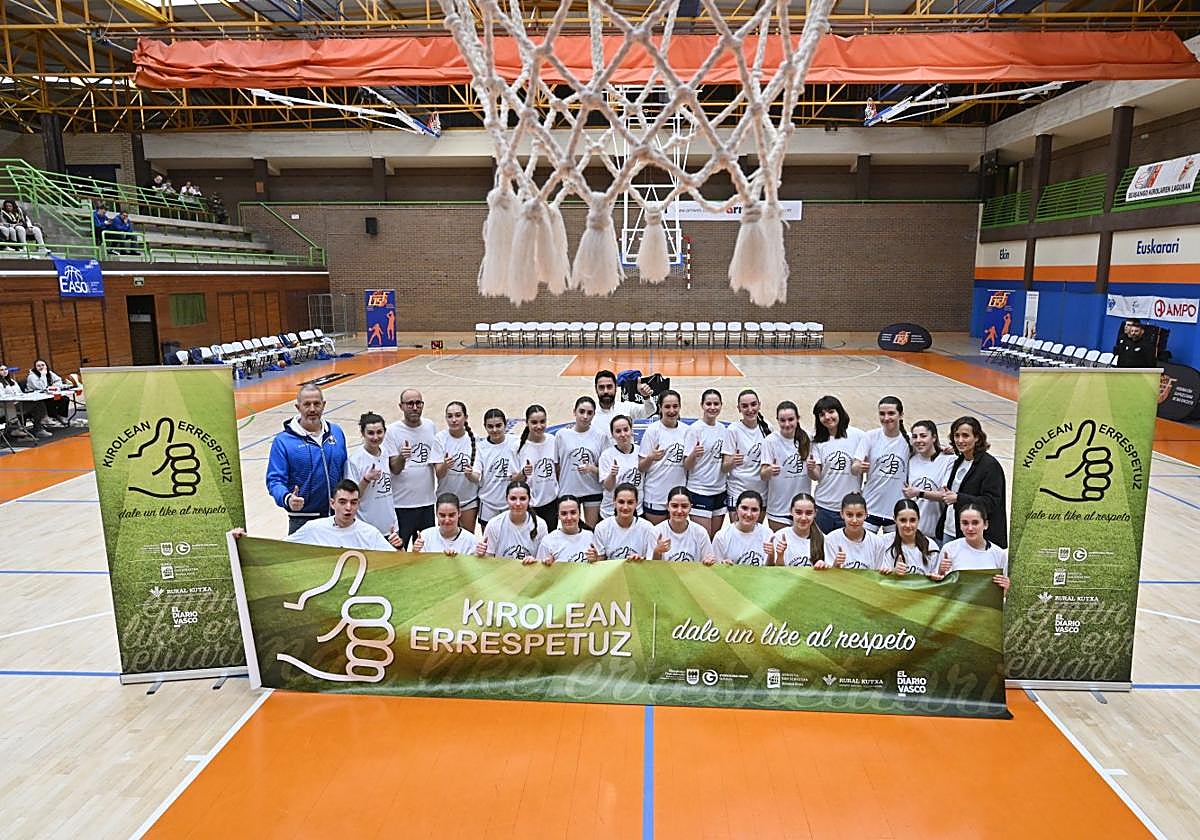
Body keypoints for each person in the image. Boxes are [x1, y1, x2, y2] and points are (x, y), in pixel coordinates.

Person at [266, 384, 349, 534]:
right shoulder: (283, 441)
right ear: (298, 407)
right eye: (307, 404)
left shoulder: (336, 432)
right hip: (302, 521)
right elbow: (275, 480)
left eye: (317, 404)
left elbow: (345, 471)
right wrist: (287, 498)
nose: (312, 409)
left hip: (337, 517)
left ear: (323, 405)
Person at [936, 416, 1008, 549]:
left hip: (975, 535)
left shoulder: (990, 466)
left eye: (965, 436)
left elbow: (991, 502)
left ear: (977, 438)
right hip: (951, 529)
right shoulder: (959, 460)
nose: (960, 440)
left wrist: (958, 498)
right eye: (956, 435)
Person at [385, 388, 438, 549]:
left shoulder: (430, 426)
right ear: (401, 406)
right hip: (402, 505)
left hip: (427, 503)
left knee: (426, 551)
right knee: (399, 551)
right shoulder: (392, 431)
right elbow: (394, 469)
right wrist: (402, 457)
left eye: (418, 403)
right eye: (410, 404)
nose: (414, 407)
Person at [283, 480, 398, 551]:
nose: (348, 507)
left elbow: (396, 562)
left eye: (353, 502)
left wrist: (400, 547)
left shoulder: (370, 533)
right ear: (332, 503)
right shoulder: (313, 528)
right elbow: (280, 548)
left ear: (358, 504)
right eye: (342, 502)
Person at [852, 396, 911, 533]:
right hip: (870, 506)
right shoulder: (870, 436)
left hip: (897, 508)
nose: (886, 418)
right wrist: (858, 467)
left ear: (901, 415)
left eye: (891, 413)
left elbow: (930, 451)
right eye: (882, 414)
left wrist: (946, 450)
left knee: (893, 547)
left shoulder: (910, 440)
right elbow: (854, 468)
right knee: (863, 544)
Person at [808, 395, 864, 534]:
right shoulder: (817, 440)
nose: (827, 417)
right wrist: (811, 469)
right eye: (822, 414)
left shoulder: (858, 436)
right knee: (821, 545)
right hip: (823, 507)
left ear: (839, 412)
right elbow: (816, 476)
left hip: (849, 507)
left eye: (831, 412)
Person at [932, 503, 1010, 592]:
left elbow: (1000, 592)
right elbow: (939, 588)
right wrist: (940, 572)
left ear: (985, 524)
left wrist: (1006, 588)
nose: (970, 528)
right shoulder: (949, 549)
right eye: (965, 523)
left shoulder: (999, 554)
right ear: (960, 525)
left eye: (975, 523)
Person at [555, 396, 607, 527]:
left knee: (591, 531)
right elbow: (556, 465)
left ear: (594, 415)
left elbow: (606, 469)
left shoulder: (601, 436)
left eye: (589, 413)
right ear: (574, 412)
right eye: (581, 411)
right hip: (568, 490)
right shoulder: (562, 435)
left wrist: (593, 469)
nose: (585, 416)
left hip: (593, 490)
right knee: (571, 531)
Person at [761, 400, 812, 531]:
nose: (787, 424)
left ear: (798, 418)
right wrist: (769, 470)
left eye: (791, 419)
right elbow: (763, 475)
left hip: (802, 508)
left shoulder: (808, 438)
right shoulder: (770, 441)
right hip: (778, 509)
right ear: (777, 420)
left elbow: (815, 473)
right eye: (782, 420)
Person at [638, 390, 687, 524]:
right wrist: (651, 457)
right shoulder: (652, 431)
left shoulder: (686, 430)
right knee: (656, 536)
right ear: (660, 408)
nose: (671, 410)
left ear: (680, 407)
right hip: (656, 496)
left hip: (678, 497)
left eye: (675, 406)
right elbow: (641, 467)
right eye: (667, 406)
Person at [683, 388, 727, 537]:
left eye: (716, 404)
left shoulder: (723, 429)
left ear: (721, 405)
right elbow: (686, 465)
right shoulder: (694, 430)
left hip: (720, 491)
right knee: (703, 539)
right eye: (708, 404)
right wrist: (694, 454)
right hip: (699, 491)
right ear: (702, 405)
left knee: (714, 539)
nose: (712, 407)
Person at [345, 411, 396, 537]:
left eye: (379, 432)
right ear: (363, 433)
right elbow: (352, 496)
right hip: (367, 528)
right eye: (371, 433)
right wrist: (366, 479)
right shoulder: (354, 460)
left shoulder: (386, 452)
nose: (375, 437)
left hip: (390, 526)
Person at [434, 401, 481, 534]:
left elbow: (478, 476)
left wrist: (470, 474)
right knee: (446, 538)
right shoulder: (439, 439)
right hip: (445, 500)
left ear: (466, 417)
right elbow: (438, 474)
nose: (454, 420)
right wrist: (445, 465)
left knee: (467, 538)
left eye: (458, 415)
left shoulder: (476, 439)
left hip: (469, 500)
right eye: (450, 416)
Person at [722, 389, 769, 520]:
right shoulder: (733, 430)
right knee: (738, 530)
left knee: (756, 530)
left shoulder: (767, 428)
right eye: (745, 406)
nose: (750, 409)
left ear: (759, 405)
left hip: (761, 492)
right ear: (739, 408)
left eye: (753, 404)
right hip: (738, 491)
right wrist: (732, 461)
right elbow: (724, 467)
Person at [902, 420, 954, 537]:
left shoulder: (949, 460)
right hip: (912, 531)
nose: (918, 440)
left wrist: (919, 493)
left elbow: (945, 495)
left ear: (934, 438)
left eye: (923, 436)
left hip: (937, 533)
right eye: (915, 437)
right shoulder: (911, 460)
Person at [477, 479, 548, 560]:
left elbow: (543, 560)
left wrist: (535, 561)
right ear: (506, 499)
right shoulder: (494, 525)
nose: (518, 503)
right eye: (513, 498)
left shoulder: (540, 525)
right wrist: (481, 554)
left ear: (529, 500)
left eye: (523, 498)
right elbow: (488, 559)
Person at [514, 403, 559, 527]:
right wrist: (523, 473)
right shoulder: (518, 446)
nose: (539, 426)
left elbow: (557, 469)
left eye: (542, 422)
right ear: (526, 423)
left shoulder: (552, 441)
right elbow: (513, 480)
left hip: (551, 502)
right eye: (534, 422)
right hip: (529, 505)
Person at [591, 483, 657, 562]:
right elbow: (600, 562)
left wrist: (641, 560)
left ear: (636, 503)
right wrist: (595, 559)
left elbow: (651, 562)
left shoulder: (647, 528)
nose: (625, 507)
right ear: (614, 502)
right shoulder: (602, 528)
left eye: (630, 502)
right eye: (621, 502)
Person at [475, 408, 517, 529]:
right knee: (488, 538)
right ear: (485, 426)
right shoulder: (480, 447)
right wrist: (469, 474)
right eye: (490, 426)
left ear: (505, 424)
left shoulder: (516, 443)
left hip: (511, 502)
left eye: (498, 425)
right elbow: (476, 474)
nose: (494, 430)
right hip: (488, 502)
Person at [651, 485, 715, 564]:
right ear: (667, 506)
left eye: (684, 506)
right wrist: (657, 551)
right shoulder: (656, 531)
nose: (679, 511)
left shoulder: (700, 532)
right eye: (674, 506)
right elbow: (650, 567)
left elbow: (709, 561)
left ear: (690, 507)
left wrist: (708, 562)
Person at [822, 492, 883, 570]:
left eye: (859, 515)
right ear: (842, 514)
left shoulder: (877, 542)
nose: (854, 520)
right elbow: (827, 575)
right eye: (849, 515)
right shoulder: (831, 539)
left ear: (866, 514)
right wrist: (835, 565)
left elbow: (878, 574)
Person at [711, 490, 774, 566]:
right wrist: (722, 564)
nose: (749, 514)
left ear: (760, 512)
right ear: (736, 509)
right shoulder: (722, 536)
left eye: (754, 510)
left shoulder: (768, 534)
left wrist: (771, 556)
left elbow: (771, 569)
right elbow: (714, 568)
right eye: (744, 508)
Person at [598, 415, 642, 519]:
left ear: (631, 431)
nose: (623, 434)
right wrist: (612, 475)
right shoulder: (606, 455)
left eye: (626, 430)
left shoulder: (641, 451)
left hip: (636, 511)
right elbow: (608, 487)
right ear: (612, 435)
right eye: (618, 431)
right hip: (610, 513)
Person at [878, 499, 939, 575]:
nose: (908, 525)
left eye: (912, 520)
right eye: (903, 520)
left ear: (918, 519)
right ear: (895, 519)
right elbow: (876, 576)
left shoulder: (931, 546)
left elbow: (936, 576)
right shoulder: (883, 542)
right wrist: (893, 573)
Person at [594, 369, 658, 437]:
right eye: (601, 387)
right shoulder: (590, 413)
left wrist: (646, 397)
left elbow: (650, 410)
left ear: (616, 387)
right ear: (596, 389)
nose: (605, 391)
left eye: (609, 387)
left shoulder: (627, 407)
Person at [770, 492, 826, 567]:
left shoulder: (824, 539)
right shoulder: (779, 536)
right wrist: (780, 556)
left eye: (808, 513)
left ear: (815, 513)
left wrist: (823, 566)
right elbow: (776, 571)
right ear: (791, 511)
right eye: (798, 513)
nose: (803, 518)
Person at [536, 496, 595, 565]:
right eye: (564, 513)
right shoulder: (548, 541)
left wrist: (595, 559)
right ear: (558, 516)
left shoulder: (590, 536)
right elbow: (539, 568)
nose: (569, 518)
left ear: (579, 514)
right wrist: (548, 564)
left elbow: (599, 565)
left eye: (573, 512)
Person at [414, 493, 478, 555]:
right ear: (436, 514)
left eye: (451, 515)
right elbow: (418, 561)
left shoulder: (471, 540)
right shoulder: (425, 536)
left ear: (459, 513)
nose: (447, 520)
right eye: (442, 515)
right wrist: (415, 553)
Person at [2, 359, 50, 440]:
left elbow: (20, 392)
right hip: (8, 406)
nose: (4, 371)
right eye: (1, 370)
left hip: (18, 402)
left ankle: (39, 426)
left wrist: (22, 395)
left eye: (6, 369)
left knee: (38, 402)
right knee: (37, 404)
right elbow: (2, 397)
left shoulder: (12, 381)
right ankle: (38, 426)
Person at [25, 359, 69, 427]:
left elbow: (58, 380)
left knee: (64, 399)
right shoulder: (31, 376)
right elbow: (42, 387)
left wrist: (54, 385)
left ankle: (62, 416)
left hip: (49, 394)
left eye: (43, 365)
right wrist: (43, 375)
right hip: (38, 398)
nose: (41, 367)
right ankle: (52, 417)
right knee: (49, 402)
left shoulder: (49, 372)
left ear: (46, 366)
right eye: (38, 366)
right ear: (35, 367)